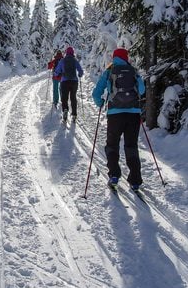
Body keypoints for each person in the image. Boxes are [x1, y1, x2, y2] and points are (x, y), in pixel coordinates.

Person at [92, 48, 146, 191]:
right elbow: (141, 90)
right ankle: (135, 181)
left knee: (112, 144)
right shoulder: (133, 71)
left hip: (115, 114)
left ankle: (114, 175)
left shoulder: (110, 71)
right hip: (133, 114)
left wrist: (100, 102)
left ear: (114, 58)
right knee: (131, 146)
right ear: (126, 57)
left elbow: (96, 93)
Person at [54, 46, 83, 122]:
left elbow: (57, 71)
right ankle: (74, 114)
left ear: (66, 52)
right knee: (73, 98)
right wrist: (79, 74)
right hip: (74, 82)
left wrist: (56, 74)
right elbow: (80, 71)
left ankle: (65, 110)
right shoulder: (74, 60)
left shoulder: (62, 61)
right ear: (73, 53)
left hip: (64, 81)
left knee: (64, 98)